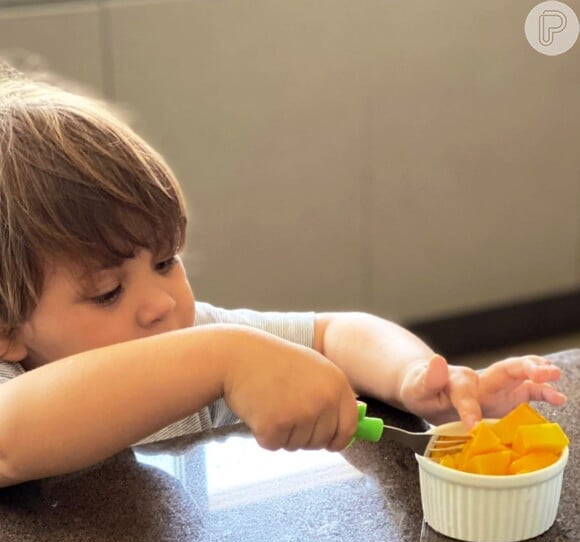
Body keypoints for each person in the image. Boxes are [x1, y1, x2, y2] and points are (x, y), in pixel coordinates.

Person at [0, 66, 566, 488]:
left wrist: (413, 375)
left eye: (166, 263)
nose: (160, 305)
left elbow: (333, 334)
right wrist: (222, 359)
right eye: (107, 292)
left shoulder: (190, 333)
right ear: (9, 329)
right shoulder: (199, 351)